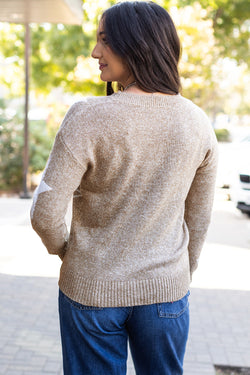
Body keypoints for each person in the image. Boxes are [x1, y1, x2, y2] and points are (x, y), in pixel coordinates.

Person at [30, 1, 218, 374]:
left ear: (136, 44)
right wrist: (179, 272)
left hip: (91, 289)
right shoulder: (198, 124)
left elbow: (44, 213)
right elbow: (197, 221)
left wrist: (69, 254)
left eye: (104, 41)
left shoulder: (87, 118)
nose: (94, 52)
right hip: (166, 292)